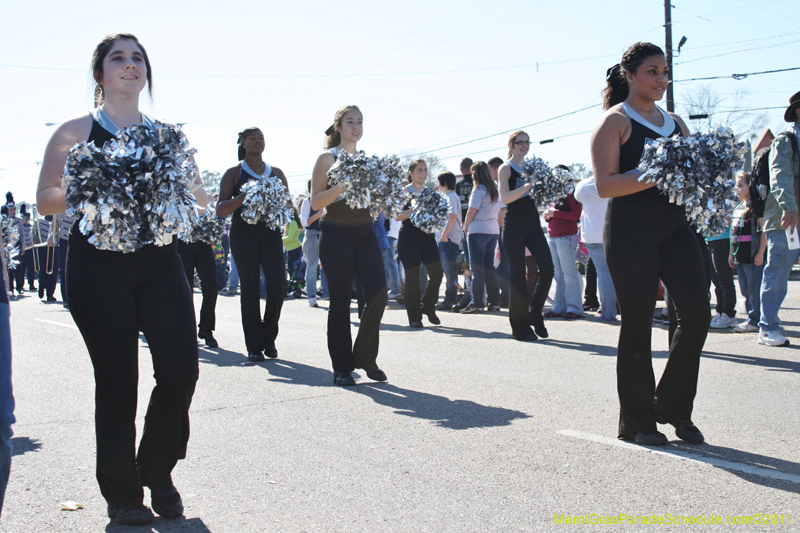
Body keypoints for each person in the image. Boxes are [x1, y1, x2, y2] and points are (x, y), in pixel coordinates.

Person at [36, 33, 209, 524]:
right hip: (97, 268)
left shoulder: (168, 134)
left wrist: (176, 178)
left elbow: (197, 195)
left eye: (138, 58)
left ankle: (156, 466)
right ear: (100, 74)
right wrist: (94, 182)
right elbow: (45, 196)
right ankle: (122, 493)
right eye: (119, 58)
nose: (130, 65)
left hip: (159, 261)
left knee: (180, 371)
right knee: (118, 381)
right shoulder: (74, 132)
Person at [592, 42, 709, 446]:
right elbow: (606, 185)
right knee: (638, 325)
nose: (661, 79)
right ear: (630, 75)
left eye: (664, 72)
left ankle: (673, 406)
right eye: (652, 72)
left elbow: (691, 175)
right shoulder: (615, 122)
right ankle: (638, 421)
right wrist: (659, 172)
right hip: (631, 232)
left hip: (678, 229)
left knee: (696, 314)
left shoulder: (675, 121)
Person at [310, 105, 388, 386]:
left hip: (365, 231)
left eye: (360, 122)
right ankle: (342, 367)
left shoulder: (369, 161)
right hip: (336, 232)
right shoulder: (327, 158)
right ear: (338, 127)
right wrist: (341, 187)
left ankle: (365, 357)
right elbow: (315, 203)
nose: (356, 126)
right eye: (350, 121)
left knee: (379, 293)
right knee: (341, 302)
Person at [217, 127, 288, 362]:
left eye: (261, 138)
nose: (258, 141)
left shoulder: (276, 172)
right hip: (243, 236)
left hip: (270, 235)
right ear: (243, 143)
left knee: (278, 285)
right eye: (252, 139)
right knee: (250, 288)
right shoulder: (234, 173)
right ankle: (254, 345)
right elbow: (220, 210)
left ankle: (269, 336)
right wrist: (243, 197)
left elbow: (287, 205)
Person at [498, 131, 555, 341]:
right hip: (513, 226)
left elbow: (537, 198)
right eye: (519, 142)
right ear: (511, 145)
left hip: (533, 224)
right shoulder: (506, 168)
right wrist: (529, 184)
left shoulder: (533, 167)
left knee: (548, 268)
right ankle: (519, 328)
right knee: (518, 276)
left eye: (527, 142)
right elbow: (505, 198)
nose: (524, 145)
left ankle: (535, 313)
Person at [757, 90, 800, 346]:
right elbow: (779, 177)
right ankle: (767, 327)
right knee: (777, 274)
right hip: (787, 218)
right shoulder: (786, 140)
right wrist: (789, 208)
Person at [395, 160, 444, 327]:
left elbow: (437, 214)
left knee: (437, 273)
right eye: (419, 170)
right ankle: (414, 317)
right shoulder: (403, 192)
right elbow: (396, 216)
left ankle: (428, 306)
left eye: (425, 170)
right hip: (408, 238)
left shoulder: (430, 192)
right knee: (412, 279)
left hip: (427, 237)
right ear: (411, 172)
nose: (423, 173)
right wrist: (414, 210)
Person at [574, 175, 618, 321]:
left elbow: (577, 198)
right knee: (613, 274)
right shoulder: (613, 183)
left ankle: (607, 312)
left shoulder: (582, 186)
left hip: (591, 234)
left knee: (603, 274)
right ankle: (612, 309)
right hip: (612, 232)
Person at [543, 167, 584, 320]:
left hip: (566, 237)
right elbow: (550, 213)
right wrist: (548, 216)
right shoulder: (554, 193)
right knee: (558, 274)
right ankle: (559, 307)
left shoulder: (571, 193)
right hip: (552, 236)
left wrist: (555, 214)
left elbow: (576, 214)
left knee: (569, 274)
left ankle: (575, 308)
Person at [461, 161, 502, 314]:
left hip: (477, 230)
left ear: (476, 174)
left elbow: (471, 212)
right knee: (489, 267)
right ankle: (494, 301)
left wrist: (465, 228)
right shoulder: (495, 189)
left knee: (477, 268)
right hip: (492, 230)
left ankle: (477, 302)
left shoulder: (478, 190)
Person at [729, 172, 766, 334]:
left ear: (750, 186)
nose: (737, 189)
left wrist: (760, 253)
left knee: (753, 288)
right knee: (744, 288)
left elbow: (764, 231)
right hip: (740, 256)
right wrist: (731, 253)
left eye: (740, 185)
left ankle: (755, 319)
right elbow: (733, 232)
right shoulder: (738, 208)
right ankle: (752, 317)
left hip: (753, 256)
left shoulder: (757, 207)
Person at [177, 211, 220, 349]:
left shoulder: (202, 193)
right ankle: (185, 330)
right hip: (182, 245)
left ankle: (206, 328)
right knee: (185, 290)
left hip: (203, 244)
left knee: (211, 286)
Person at [435, 171, 462, 311]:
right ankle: (457, 295)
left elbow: (452, 217)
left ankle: (449, 299)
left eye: (439, 183)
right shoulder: (450, 197)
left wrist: (444, 236)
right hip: (447, 240)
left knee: (450, 272)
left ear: (444, 183)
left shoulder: (451, 197)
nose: (438, 186)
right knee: (449, 271)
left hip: (449, 240)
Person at [706, 226, 738, 329]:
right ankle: (720, 311)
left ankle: (728, 314)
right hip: (710, 240)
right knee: (716, 280)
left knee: (724, 279)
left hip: (722, 240)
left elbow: (729, 219)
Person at [300, 180, 324, 307]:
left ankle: (328, 294)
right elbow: (304, 222)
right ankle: (311, 296)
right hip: (311, 236)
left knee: (329, 267)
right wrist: (319, 214)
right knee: (312, 267)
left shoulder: (325, 200)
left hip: (325, 235)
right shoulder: (307, 201)